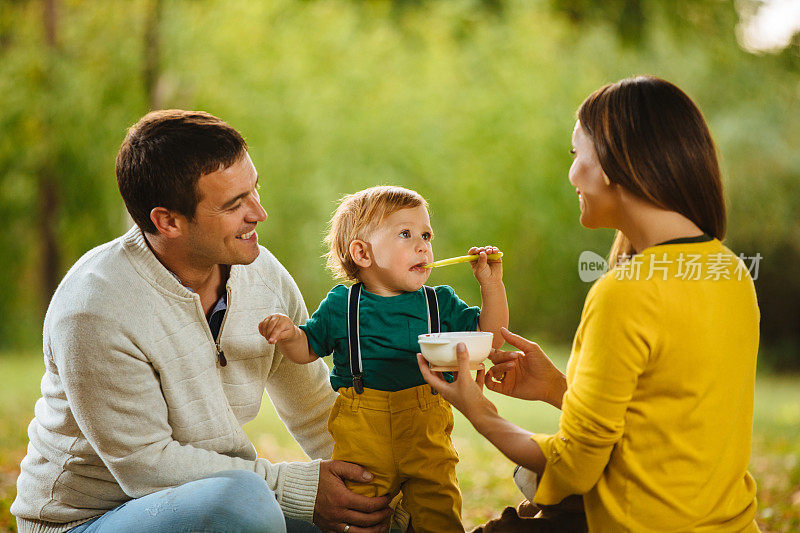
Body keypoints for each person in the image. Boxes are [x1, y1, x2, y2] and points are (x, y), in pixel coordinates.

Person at [11, 110, 395, 533]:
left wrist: (377, 483)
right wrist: (298, 487)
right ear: (168, 221)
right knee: (245, 506)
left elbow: (314, 408)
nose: (259, 213)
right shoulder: (94, 308)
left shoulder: (261, 275)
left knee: (373, 520)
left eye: (254, 190)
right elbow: (146, 466)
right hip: (87, 521)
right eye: (234, 205)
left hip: (222, 500)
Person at [418, 76, 761, 532]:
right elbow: (663, 427)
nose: (572, 173)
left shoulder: (627, 292)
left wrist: (476, 408)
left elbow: (575, 465)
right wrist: (559, 389)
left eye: (576, 154)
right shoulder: (730, 270)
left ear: (616, 163)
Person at [259, 186, 509, 532]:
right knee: (364, 516)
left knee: (438, 510)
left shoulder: (440, 303)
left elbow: (491, 337)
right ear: (362, 253)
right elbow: (307, 350)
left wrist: (491, 286)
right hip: (363, 439)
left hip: (426, 434)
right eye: (405, 234)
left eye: (426, 235)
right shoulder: (340, 306)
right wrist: (290, 335)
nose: (423, 245)